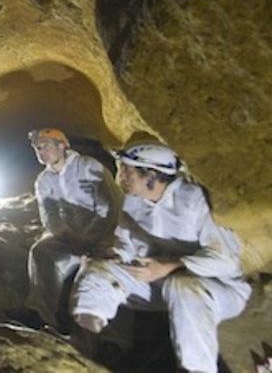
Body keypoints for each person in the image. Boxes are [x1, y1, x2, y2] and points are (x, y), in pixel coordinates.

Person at [71, 141, 251, 373]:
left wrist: (170, 266)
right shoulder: (132, 201)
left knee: (182, 286)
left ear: (152, 176)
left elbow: (225, 260)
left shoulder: (194, 199)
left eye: (128, 170)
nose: (121, 175)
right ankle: (81, 349)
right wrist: (116, 255)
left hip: (218, 288)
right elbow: (126, 242)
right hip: (157, 278)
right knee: (96, 269)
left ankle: (197, 369)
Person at [23, 128, 122, 331]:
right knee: (42, 251)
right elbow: (49, 216)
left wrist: (88, 237)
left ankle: (114, 339)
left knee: (107, 270)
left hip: (106, 236)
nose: (41, 151)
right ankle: (40, 313)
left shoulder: (89, 167)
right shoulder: (44, 180)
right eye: (38, 148)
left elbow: (109, 208)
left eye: (46, 146)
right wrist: (68, 236)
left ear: (62, 145)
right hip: (70, 238)